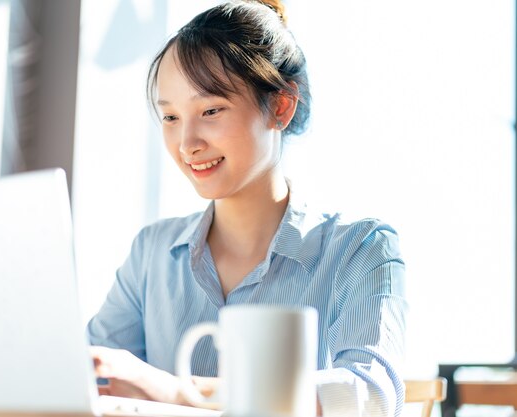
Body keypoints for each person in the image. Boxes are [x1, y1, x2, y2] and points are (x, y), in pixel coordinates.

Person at [87, 1, 407, 416]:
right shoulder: (152, 253)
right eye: (169, 117)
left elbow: (371, 394)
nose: (187, 143)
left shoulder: (361, 249)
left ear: (280, 107)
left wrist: (185, 394)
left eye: (211, 111)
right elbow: (89, 376)